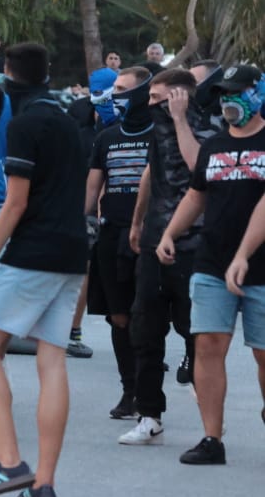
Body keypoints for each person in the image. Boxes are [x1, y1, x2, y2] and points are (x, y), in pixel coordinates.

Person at [0, 43, 88, 497]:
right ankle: (43, 484)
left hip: (35, 251)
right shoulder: (70, 122)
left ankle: (8, 462)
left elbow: (15, 202)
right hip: (73, 252)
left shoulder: (27, 124)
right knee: (51, 361)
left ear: (8, 75)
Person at [157, 64, 265, 466]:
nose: (228, 100)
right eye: (223, 92)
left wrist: (244, 255)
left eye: (238, 92)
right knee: (207, 345)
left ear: (258, 93)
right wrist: (171, 233)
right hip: (212, 262)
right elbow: (196, 195)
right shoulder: (215, 146)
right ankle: (211, 438)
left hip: (260, 267)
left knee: (263, 354)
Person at [123, 66, 213, 447]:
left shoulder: (208, 128)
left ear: (180, 97)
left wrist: (178, 119)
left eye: (158, 99)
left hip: (194, 244)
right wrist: (138, 221)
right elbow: (150, 172)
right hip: (154, 240)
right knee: (145, 328)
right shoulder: (156, 131)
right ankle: (149, 414)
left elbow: (199, 169)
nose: (150, 105)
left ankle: (210, 417)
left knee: (198, 333)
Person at [83, 67, 154, 422]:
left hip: (151, 236)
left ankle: (147, 392)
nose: (116, 96)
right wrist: (85, 225)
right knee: (119, 317)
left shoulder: (159, 133)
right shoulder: (106, 137)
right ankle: (130, 391)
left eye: (124, 89)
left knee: (147, 317)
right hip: (112, 237)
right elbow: (93, 188)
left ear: (143, 92)